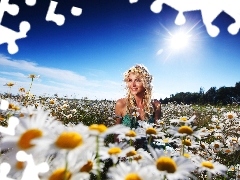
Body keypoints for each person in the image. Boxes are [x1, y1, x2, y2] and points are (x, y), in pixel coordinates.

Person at [114, 64, 161, 147]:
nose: (133, 85)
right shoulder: (121, 104)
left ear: (146, 82)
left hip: (149, 151)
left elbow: (157, 134)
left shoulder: (155, 105)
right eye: (130, 80)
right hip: (127, 152)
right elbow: (116, 134)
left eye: (138, 80)